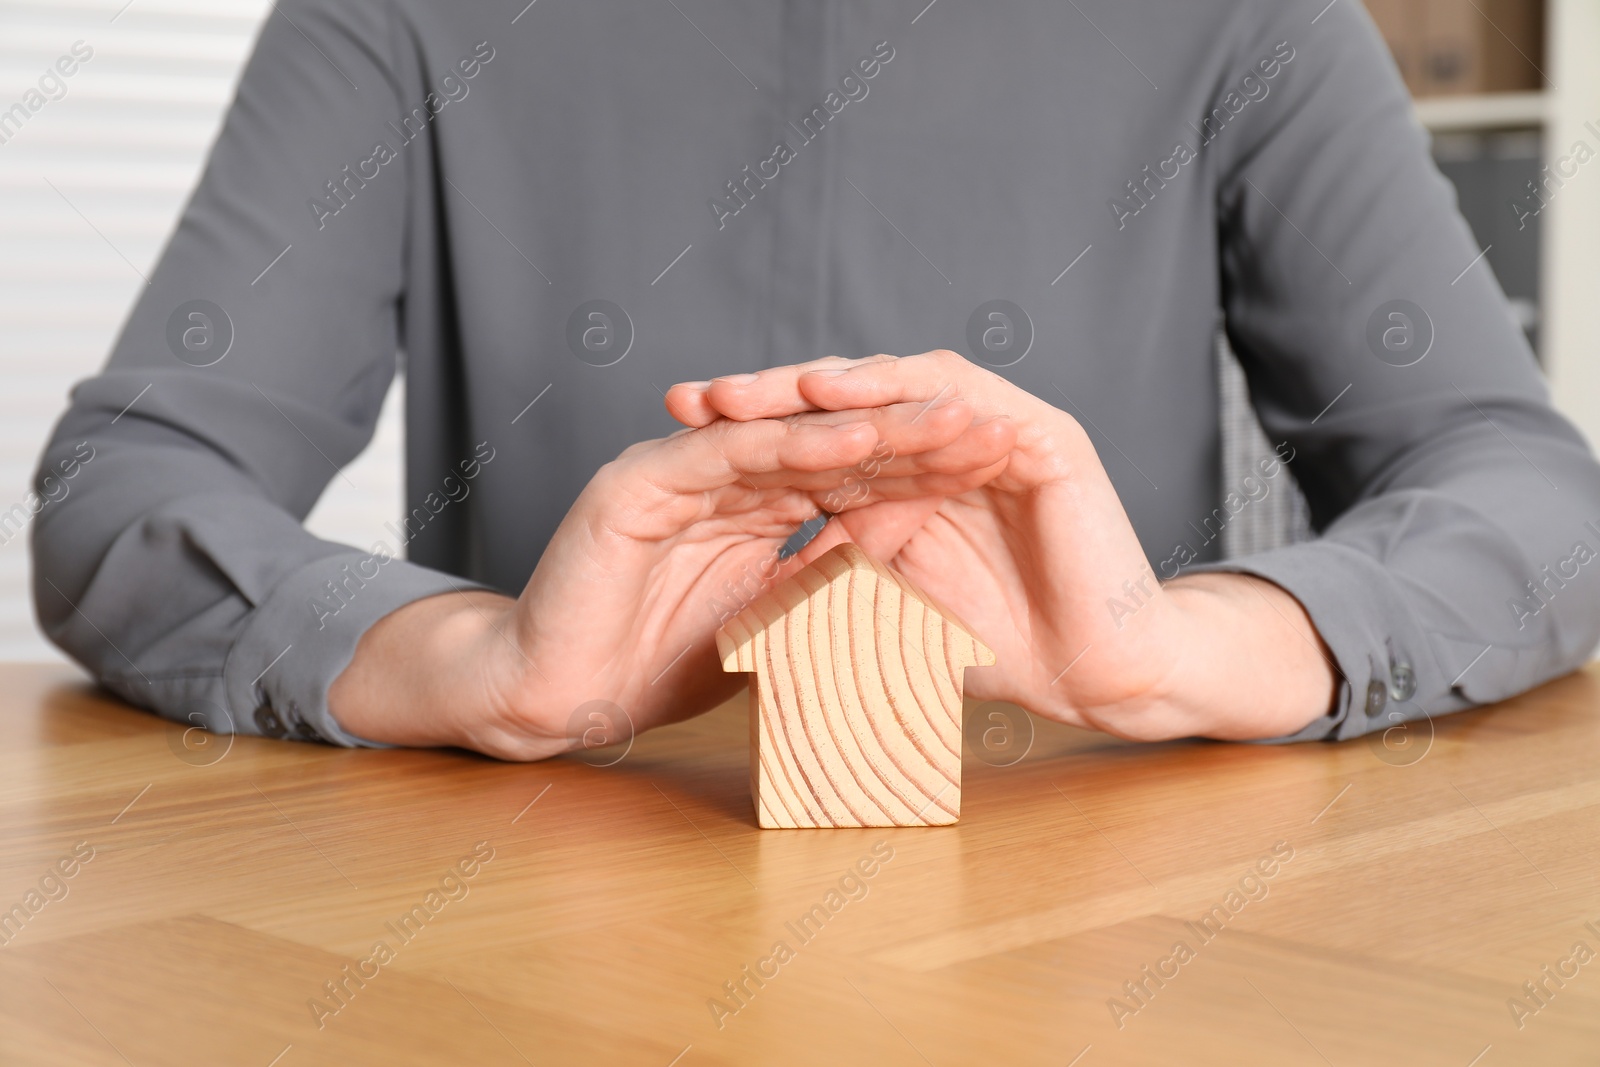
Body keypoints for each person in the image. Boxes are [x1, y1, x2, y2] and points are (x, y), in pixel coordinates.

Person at [32, 0, 1600, 759]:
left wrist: (1189, 651)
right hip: (533, 939)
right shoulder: (394, 14)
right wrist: (471, 661)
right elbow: (132, 488)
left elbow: (1526, 493)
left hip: (1118, 931)